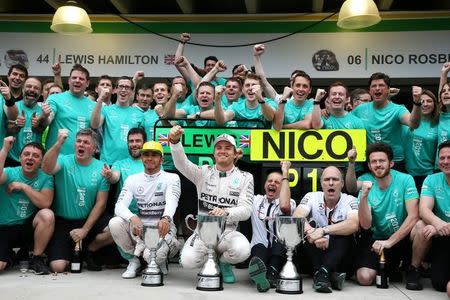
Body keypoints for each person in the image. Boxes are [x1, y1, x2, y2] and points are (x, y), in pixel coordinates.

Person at [169, 125, 254, 284]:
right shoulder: (203, 172)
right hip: (202, 231)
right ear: (214, 153)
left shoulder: (245, 177)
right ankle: (211, 259)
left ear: (235, 154)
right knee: (187, 261)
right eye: (219, 148)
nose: (223, 151)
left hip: (228, 231)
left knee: (242, 250)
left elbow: (247, 209)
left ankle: (224, 262)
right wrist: (174, 142)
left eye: (228, 148)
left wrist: (226, 212)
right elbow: (182, 164)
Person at [348, 142, 427, 290]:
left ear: (391, 163)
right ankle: (391, 268)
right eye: (373, 162)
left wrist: (390, 241)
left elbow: (414, 216)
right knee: (364, 278)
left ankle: (413, 269)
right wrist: (364, 196)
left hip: (402, 237)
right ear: (369, 166)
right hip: (377, 239)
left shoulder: (405, 179)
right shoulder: (366, 183)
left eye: (382, 161)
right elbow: (365, 225)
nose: (378, 164)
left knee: (421, 226)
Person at [42, 128, 112, 272]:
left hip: (88, 220)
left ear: (94, 148)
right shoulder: (63, 160)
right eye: (78, 141)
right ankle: (72, 252)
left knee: (116, 227)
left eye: (86, 143)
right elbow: (46, 168)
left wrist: (85, 230)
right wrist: (58, 144)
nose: (81, 145)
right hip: (63, 221)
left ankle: (89, 249)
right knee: (57, 267)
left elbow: (101, 203)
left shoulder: (102, 168)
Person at [109, 141, 181, 278]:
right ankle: (134, 260)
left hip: (161, 228)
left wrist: (166, 218)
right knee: (115, 222)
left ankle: (160, 259)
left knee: (151, 256)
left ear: (162, 159)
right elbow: (119, 206)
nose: (149, 158)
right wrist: (133, 217)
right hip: (141, 227)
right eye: (146, 154)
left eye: (154, 155)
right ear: (141, 158)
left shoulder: (172, 177)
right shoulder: (132, 179)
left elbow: (172, 201)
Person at [293, 166, 359, 293]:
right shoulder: (311, 196)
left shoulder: (350, 200)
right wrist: (312, 233)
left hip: (341, 259)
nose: (331, 183)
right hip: (314, 255)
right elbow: (297, 216)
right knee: (304, 229)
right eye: (327, 179)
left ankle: (322, 272)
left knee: (345, 233)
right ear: (321, 183)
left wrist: (324, 231)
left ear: (342, 183)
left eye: (335, 179)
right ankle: (327, 274)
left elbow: (353, 224)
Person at [0, 137, 54, 274]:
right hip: (4, 228)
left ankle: (36, 259)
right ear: (20, 157)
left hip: (27, 228)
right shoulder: (9, 172)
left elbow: (45, 202)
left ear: (41, 161)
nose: (30, 158)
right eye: (26, 154)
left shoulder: (46, 177)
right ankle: (11, 258)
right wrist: (5, 149)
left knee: (47, 215)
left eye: (36, 156)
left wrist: (23, 186)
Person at [351, 72, 422, 171]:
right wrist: (326, 111)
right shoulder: (360, 109)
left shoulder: (398, 110)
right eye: (374, 86)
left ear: (388, 90)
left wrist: (417, 103)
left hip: (394, 162)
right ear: (370, 91)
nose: (377, 88)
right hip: (371, 161)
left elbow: (413, 124)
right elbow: (345, 121)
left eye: (381, 85)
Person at [248, 161, 296, 292]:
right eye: (269, 181)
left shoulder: (289, 202)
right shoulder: (255, 200)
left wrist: (285, 172)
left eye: (277, 182)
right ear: (264, 185)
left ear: (283, 186)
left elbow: (284, 206)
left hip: (279, 251)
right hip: (260, 248)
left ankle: (271, 272)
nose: (272, 184)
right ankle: (262, 276)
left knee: (280, 238)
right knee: (259, 248)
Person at [419, 140, 450, 295]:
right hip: (444, 237)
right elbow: (424, 209)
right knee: (438, 282)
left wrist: (439, 228)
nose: (445, 162)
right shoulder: (432, 179)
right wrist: (438, 223)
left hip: (443, 232)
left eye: (449, 157)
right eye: (442, 158)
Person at [91, 76, 144, 166]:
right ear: (115, 90)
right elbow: (95, 125)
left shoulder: (139, 114)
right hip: (108, 162)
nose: (123, 90)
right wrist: (100, 99)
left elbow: (143, 141)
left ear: (132, 91)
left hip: (132, 162)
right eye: (121, 86)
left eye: (127, 87)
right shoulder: (106, 110)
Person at [43, 64, 96, 155]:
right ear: (69, 80)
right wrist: (45, 116)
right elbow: (48, 119)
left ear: (87, 83)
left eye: (81, 79)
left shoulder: (93, 105)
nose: (77, 80)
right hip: (57, 157)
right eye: (74, 77)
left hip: (82, 158)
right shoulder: (55, 98)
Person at [7, 77, 48, 166]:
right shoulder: (12, 107)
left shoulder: (44, 111)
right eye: (29, 86)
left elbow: (42, 131)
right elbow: (7, 130)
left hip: (35, 162)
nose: (32, 90)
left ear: (41, 93)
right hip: (12, 160)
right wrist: (16, 124)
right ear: (22, 89)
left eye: (36, 88)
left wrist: (38, 125)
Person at [404, 88, 439, 190]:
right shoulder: (407, 120)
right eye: (422, 101)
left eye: (429, 101)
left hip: (428, 174)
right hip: (407, 173)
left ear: (435, 104)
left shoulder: (438, 124)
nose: (425, 104)